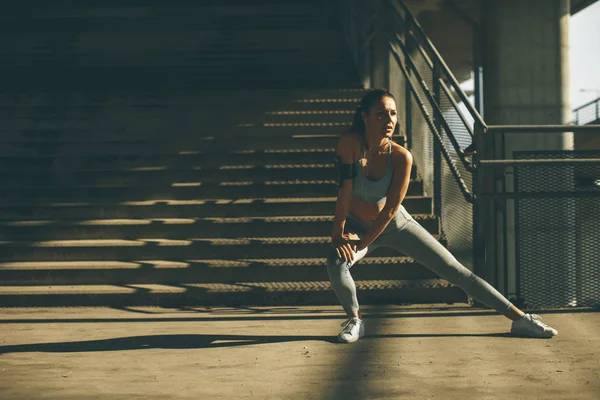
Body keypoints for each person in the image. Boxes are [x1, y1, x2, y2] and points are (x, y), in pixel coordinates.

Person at [327, 89, 558, 343]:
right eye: (381, 114)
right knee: (336, 262)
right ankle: (355, 321)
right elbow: (344, 191)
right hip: (357, 224)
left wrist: (362, 243)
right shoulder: (349, 143)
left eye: (393, 114)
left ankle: (521, 319)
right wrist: (338, 234)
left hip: (395, 224)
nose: (389, 120)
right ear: (365, 117)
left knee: (455, 270)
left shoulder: (402, 157)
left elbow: (391, 209)